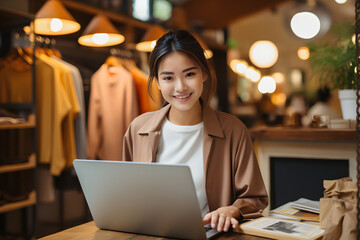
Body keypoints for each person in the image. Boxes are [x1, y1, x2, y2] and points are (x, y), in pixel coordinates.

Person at [122, 30, 268, 233]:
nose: (180, 87)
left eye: (190, 74)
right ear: (156, 80)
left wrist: (231, 210)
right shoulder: (138, 129)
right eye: (168, 78)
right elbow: (126, 194)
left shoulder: (233, 130)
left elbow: (255, 198)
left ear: (204, 73)